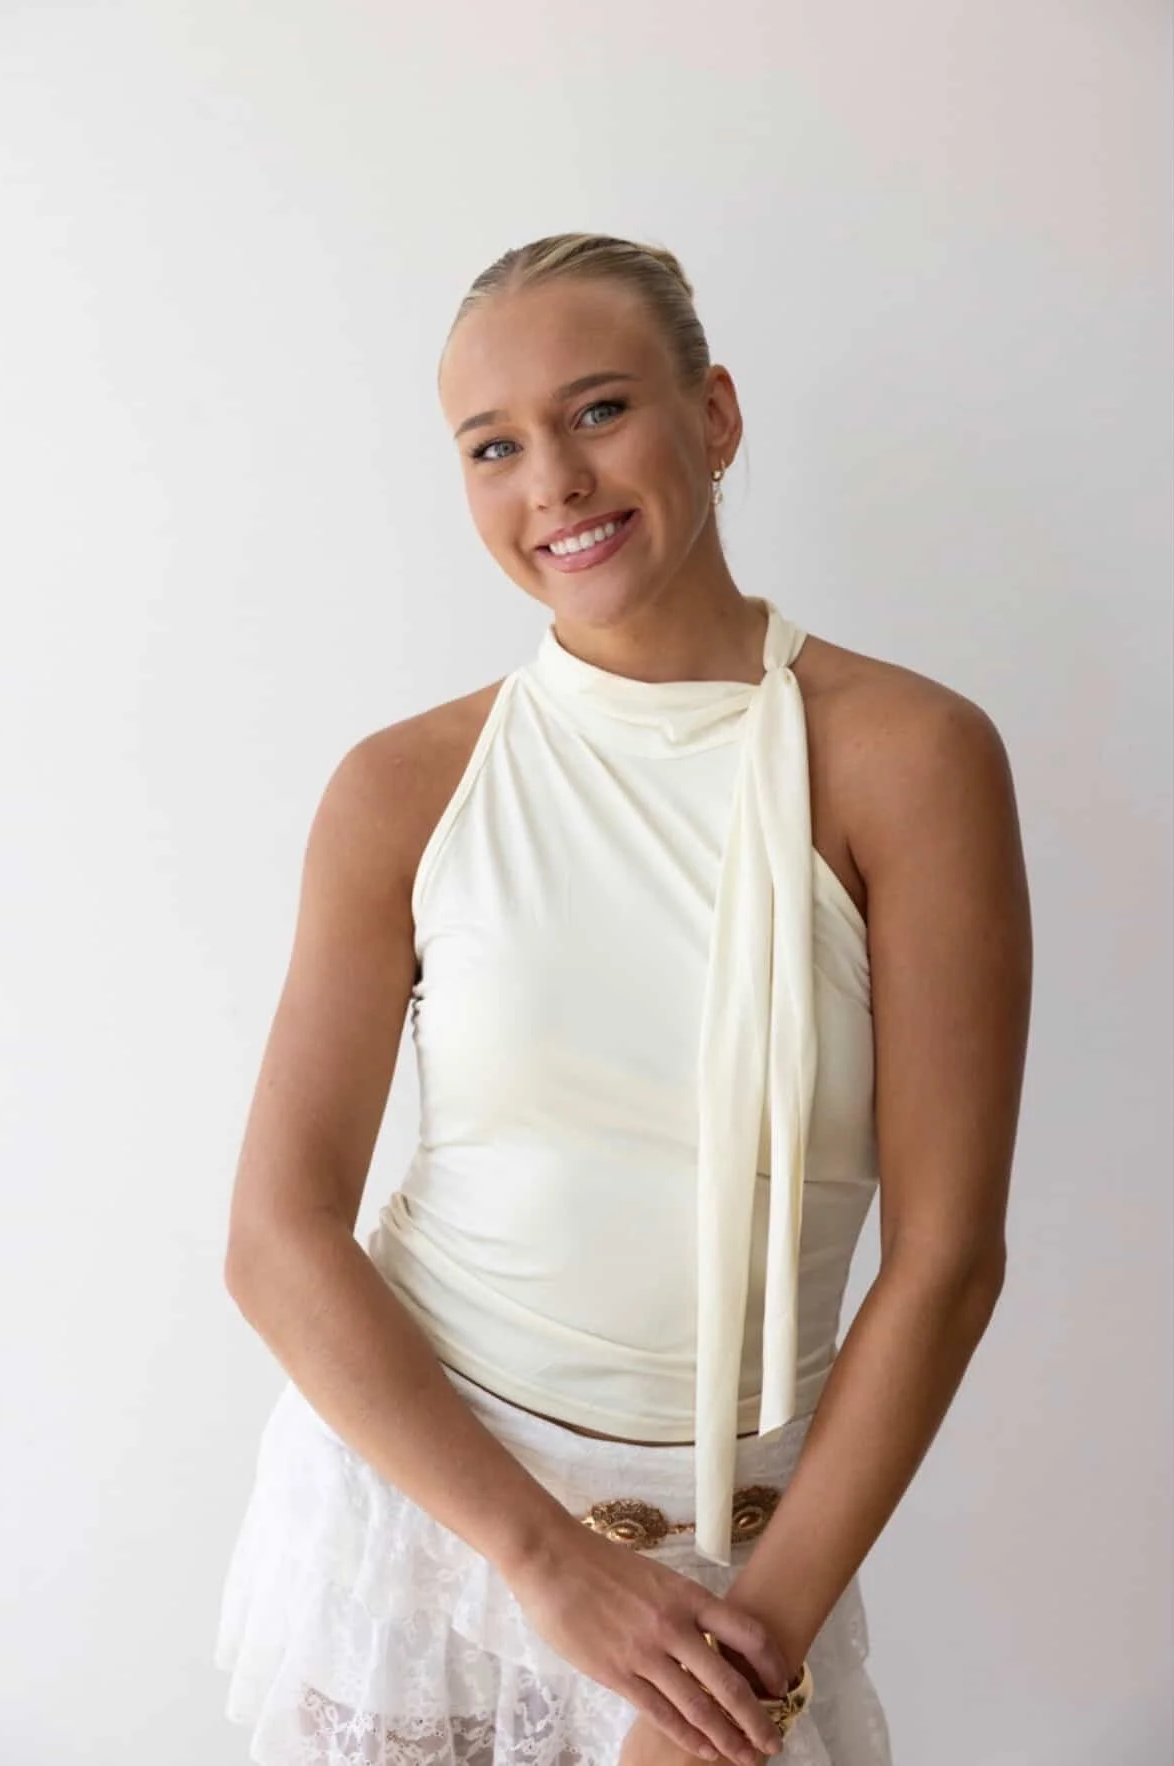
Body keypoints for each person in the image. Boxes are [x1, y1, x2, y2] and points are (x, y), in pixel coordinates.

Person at [214, 232, 1032, 1766]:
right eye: (493, 446)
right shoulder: (405, 786)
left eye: (597, 411)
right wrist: (545, 1566)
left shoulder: (912, 759)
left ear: (712, 415)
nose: (554, 484)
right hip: (425, 1530)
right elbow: (275, 1236)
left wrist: (753, 1659)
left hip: (738, 1581)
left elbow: (945, 1261)